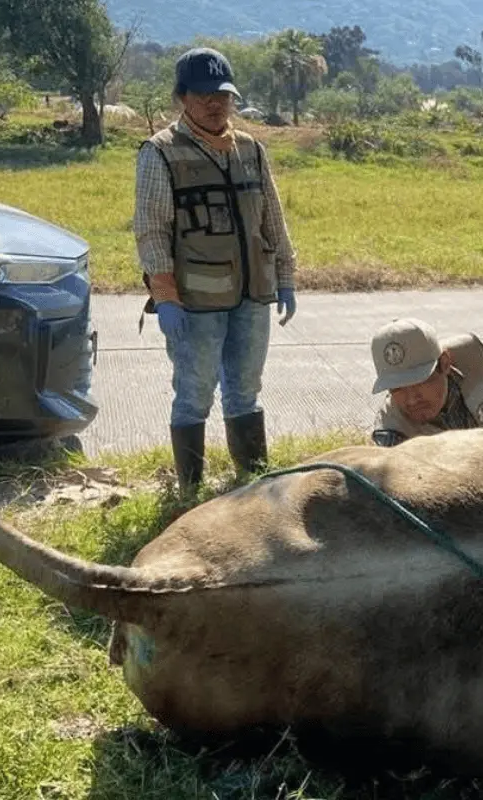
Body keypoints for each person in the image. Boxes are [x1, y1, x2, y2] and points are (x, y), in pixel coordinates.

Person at [132, 47, 298, 493]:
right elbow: (151, 231)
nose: (214, 103)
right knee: (194, 394)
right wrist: (166, 298)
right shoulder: (160, 153)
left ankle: (253, 482)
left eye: (222, 94)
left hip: (252, 293)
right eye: (203, 94)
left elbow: (273, 220)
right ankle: (190, 490)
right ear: (182, 97)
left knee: (245, 389)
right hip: (194, 301)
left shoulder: (251, 150)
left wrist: (285, 276)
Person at [369, 318, 483, 447]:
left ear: (444, 364)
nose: (412, 399)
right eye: (397, 388)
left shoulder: (473, 356)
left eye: (419, 381)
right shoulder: (390, 433)